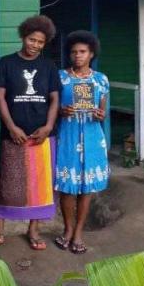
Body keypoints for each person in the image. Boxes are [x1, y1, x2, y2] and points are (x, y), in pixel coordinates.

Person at [0, 15, 61, 250]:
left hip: (42, 135)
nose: (35, 45)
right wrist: (11, 127)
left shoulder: (49, 66)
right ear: (23, 36)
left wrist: (49, 126)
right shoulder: (7, 63)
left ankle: (34, 229)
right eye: (32, 40)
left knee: (40, 183)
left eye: (40, 42)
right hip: (13, 134)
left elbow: (54, 98)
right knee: (9, 182)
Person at [54, 31, 110, 255]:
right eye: (74, 52)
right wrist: (61, 111)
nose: (77, 56)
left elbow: (103, 111)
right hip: (67, 134)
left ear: (91, 53)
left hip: (92, 136)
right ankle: (67, 229)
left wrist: (100, 114)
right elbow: (52, 107)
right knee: (67, 186)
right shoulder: (60, 77)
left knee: (86, 188)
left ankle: (78, 232)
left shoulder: (100, 80)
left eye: (82, 52)